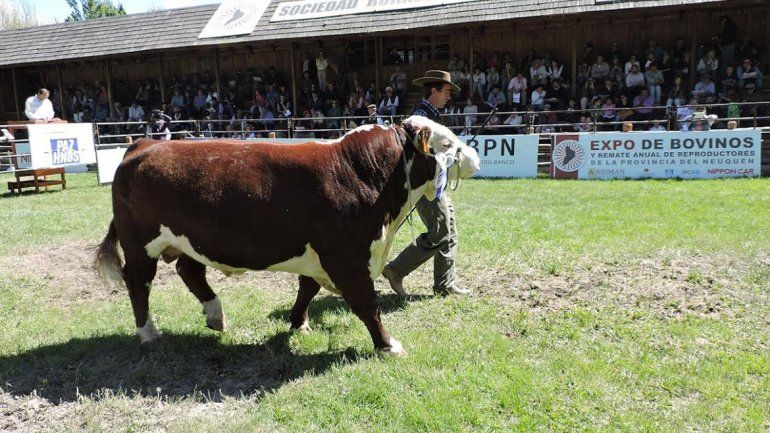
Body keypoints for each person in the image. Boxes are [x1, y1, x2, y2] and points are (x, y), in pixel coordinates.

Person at [382, 70, 470, 297]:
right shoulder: (422, 117)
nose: (449, 96)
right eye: (446, 91)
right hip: (426, 186)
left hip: (434, 182)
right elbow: (422, 157)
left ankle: (445, 284)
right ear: (434, 90)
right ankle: (395, 269)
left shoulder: (428, 115)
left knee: (450, 232)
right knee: (440, 233)